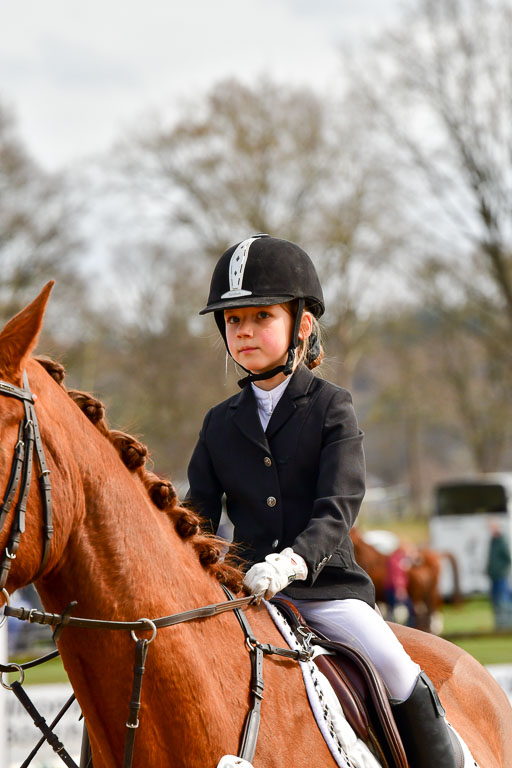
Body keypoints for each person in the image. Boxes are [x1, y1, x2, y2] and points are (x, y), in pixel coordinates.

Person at [187, 234, 456, 768]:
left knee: (398, 671)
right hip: (247, 599)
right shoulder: (219, 423)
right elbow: (198, 514)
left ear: (300, 325)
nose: (243, 331)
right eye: (232, 320)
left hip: (326, 593)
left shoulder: (333, 407)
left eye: (260, 316)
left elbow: (339, 506)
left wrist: (292, 562)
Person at [486, 519, 511, 627]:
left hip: (501, 576)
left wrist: (501, 570)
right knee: (496, 600)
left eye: (492, 527)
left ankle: (506, 624)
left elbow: (508, 558)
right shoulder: (493, 540)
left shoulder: (502, 540)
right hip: (494, 576)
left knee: (503, 600)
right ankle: (499, 624)